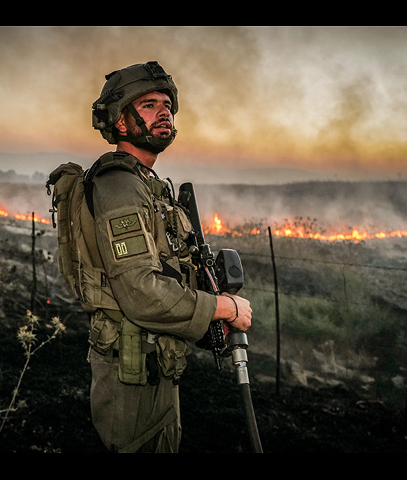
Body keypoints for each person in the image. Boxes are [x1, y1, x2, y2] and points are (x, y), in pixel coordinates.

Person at [84, 61, 252, 453]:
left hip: (153, 361)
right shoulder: (120, 187)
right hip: (133, 375)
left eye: (167, 105)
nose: (164, 112)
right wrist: (223, 307)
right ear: (119, 122)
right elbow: (141, 291)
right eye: (147, 105)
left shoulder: (147, 183)